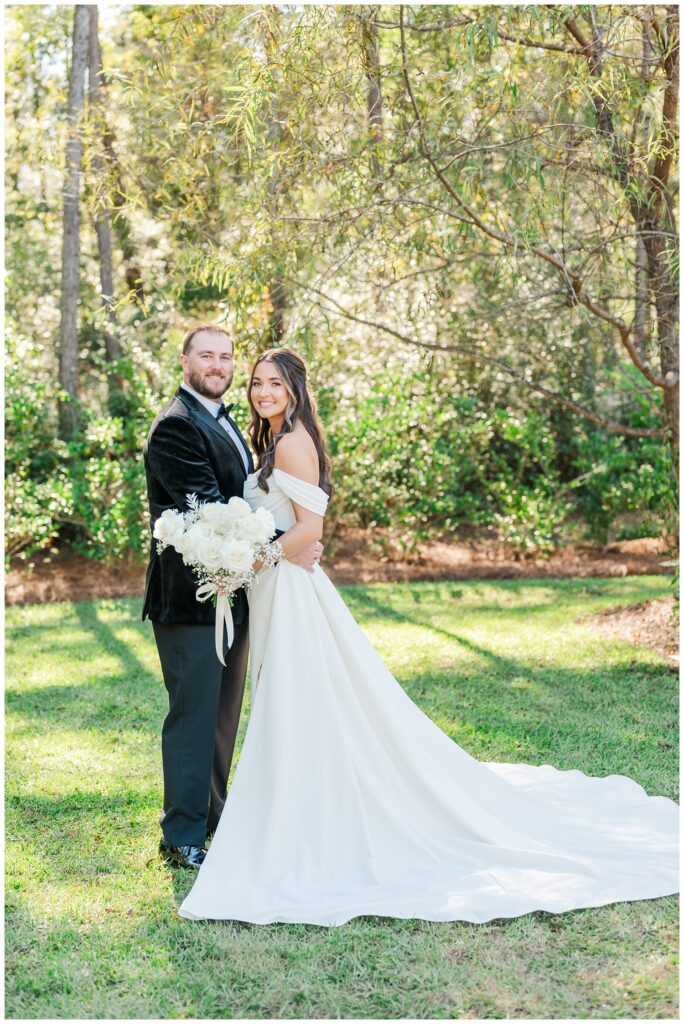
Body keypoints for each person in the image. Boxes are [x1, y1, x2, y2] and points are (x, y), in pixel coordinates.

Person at [179, 347, 678, 925]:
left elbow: (311, 528)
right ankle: (305, 803)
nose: (263, 392)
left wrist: (249, 561)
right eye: (258, 383)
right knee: (304, 698)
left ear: (294, 389)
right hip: (278, 585)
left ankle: (303, 811)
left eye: (275, 383)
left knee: (299, 698)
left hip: (286, 589)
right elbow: (297, 525)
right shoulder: (273, 438)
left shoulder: (290, 441)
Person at [143, 326, 321, 870]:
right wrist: (287, 545)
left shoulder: (230, 425)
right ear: (185, 361)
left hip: (234, 591)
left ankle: (213, 817)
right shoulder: (175, 427)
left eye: (225, 357)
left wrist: (293, 541)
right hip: (190, 600)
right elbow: (210, 511)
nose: (217, 365)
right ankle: (182, 837)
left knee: (222, 717)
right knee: (194, 716)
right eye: (206, 355)